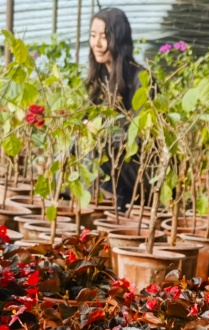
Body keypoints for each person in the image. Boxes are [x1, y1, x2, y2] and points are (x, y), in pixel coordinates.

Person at [86, 7, 149, 211]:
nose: (96, 43)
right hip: (109, 162)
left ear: (118, 40)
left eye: (103, 37)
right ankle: (92, 205)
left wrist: (104, 133)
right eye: (93, 35)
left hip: (137, 166)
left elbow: (142, 136)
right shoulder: (99, 79)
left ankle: (106, 207)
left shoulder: (141, 80)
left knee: (96, 147)